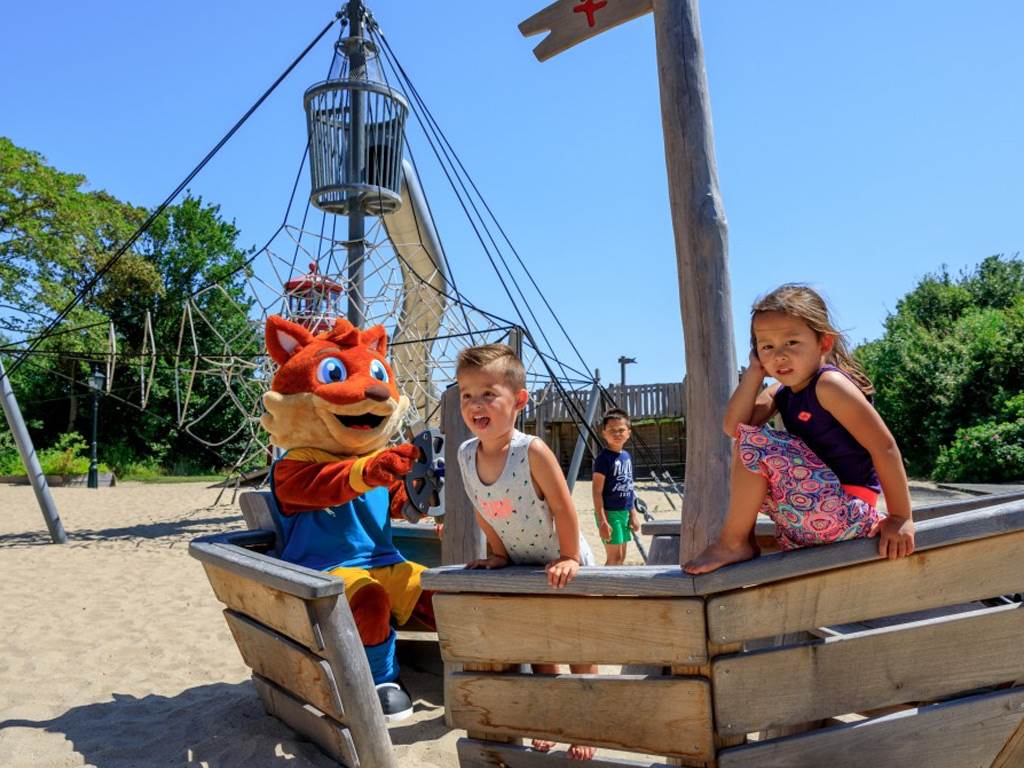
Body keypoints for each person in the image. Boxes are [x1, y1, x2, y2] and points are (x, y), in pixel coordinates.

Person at [684, 284, 915, 574]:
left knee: (754, 443)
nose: (779, 355)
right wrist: (756, 371)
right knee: (747, 438)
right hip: (812, 514)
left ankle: (734, 543)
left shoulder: (829, 385)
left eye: (791, 343)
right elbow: (734, 426)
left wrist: (900, 517)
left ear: (824, 343)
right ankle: (737, 541)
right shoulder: (782, 391)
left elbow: (884, 446)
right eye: (766, 346)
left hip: (845, 509)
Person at [455, 343, 597, 761]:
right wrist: (497, 554)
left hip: (562, 563)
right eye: (466, 395)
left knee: (576, 649)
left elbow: (562, 507)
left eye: (487, 394)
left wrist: (570, 556)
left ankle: (585, 722)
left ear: (518, 400)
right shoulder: (467, 455)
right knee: (539, 650)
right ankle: (550, 719)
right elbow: (485, 510)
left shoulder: (530, 450)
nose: (475, 404)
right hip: (522, 566)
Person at [592, 408, 639, 565]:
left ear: (628, 432)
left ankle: (613, 590)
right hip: (609, 514)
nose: (617, 434)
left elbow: (629, 488)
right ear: (604, 433)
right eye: (612, 430)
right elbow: (597, 492)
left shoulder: (626, 456)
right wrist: (603, 521)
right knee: (614, 558)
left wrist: (632, 514)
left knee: (622, 557)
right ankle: (605, 590)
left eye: (621, 430)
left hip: (624, 513)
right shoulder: (603, 459)